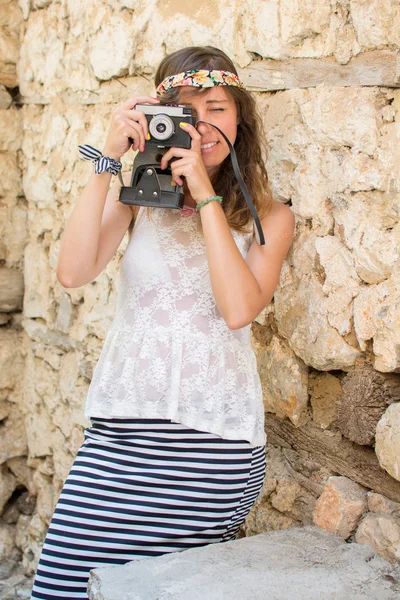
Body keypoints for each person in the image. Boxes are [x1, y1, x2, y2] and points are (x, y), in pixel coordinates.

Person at [30, 45, 295, 599]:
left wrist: (203, 194)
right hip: (122, 436)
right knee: (60, 585)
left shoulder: (269, 215)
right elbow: (73, 271)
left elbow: (239, 309)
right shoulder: (140, 199)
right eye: (185, 109)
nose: (201, 124)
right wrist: (108, 158)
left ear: (239, 118)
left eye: (217, 107)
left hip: (212, 445)